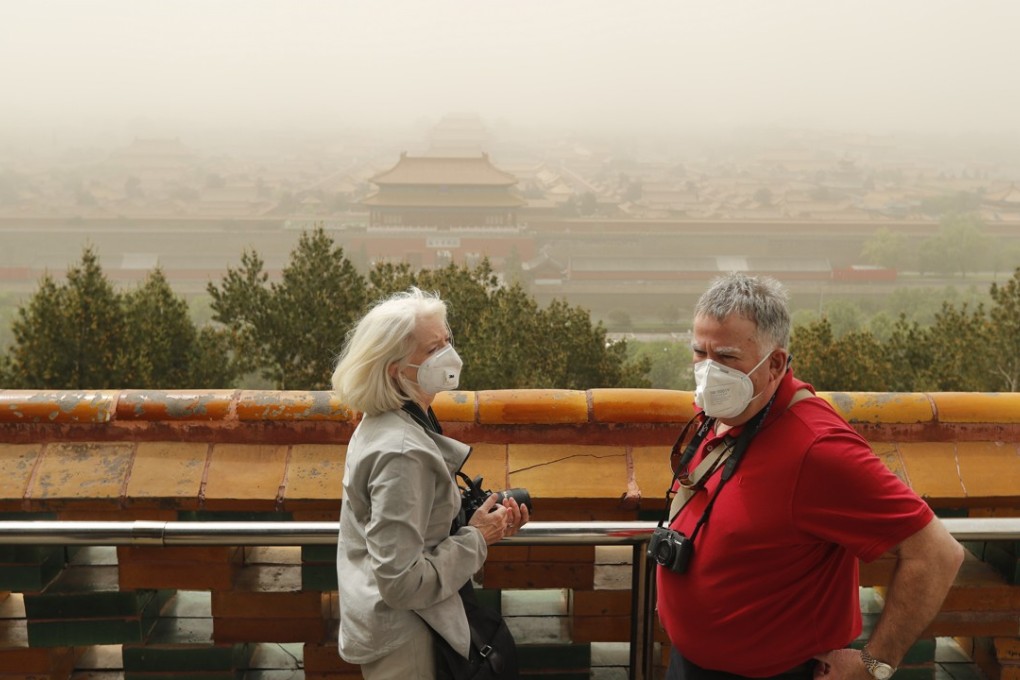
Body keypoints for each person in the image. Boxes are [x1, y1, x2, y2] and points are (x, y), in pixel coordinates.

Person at [654, 272, 963, 680]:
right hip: (692, 662)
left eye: (727, 357)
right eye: (700, 353)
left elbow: (938, 553)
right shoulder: (731, 413)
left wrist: (874, 664)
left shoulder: (817, 447)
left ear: (776, 363)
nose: (709, 372)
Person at [332, 287, 529, 680]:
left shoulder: (387, 421)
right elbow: (401, 583)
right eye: (431, 349)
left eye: (447, 341)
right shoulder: (401, 453)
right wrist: (477, 538)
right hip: (410, 640)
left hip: (405, 628)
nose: (447, 356)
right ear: (395, 368)